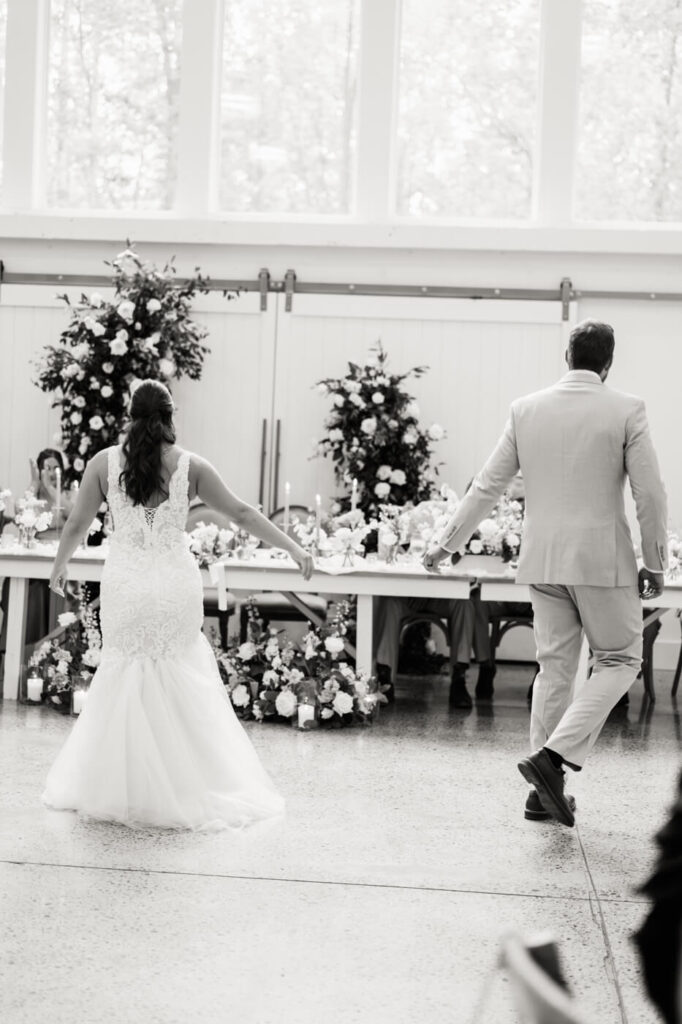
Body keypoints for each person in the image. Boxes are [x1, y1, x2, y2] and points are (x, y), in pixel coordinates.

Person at [423, 319, 668, 826]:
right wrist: (655, 561)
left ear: (567, 357)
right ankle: (553, 760)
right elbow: (650, 492)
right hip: (602, 560)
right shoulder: (626, 409)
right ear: (609, 362)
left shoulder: (526, 409)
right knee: (621, 660)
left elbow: (487, 485)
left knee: (555, 669)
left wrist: (448, 544)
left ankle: (540, 794)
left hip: (543, 560)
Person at [43, 379, 313, 830]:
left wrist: (59, 566)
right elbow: (244, 513)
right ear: (171, 417)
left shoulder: (102, 464)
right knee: (179, 673)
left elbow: (76, 523)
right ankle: (185, 784)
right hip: (173, 586)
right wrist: (294, 549)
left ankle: (121, 786)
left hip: (126, 585)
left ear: (129, 415)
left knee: (125, 673)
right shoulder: (192, 466)